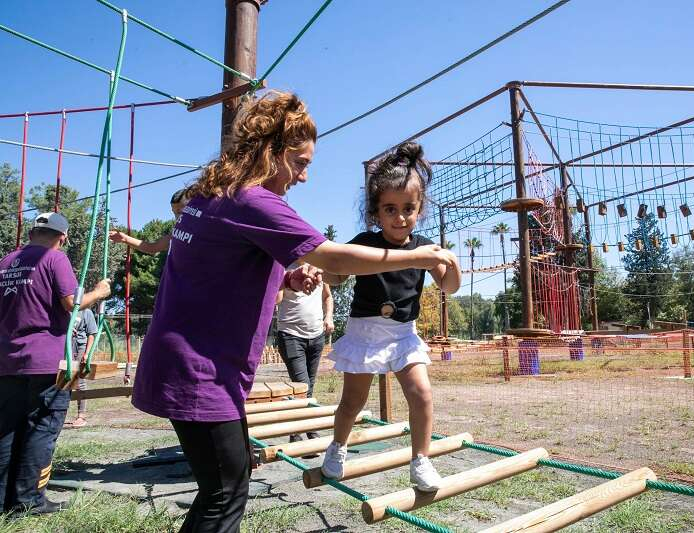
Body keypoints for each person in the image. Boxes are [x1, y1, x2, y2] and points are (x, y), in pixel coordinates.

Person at [130, 91, 458, 533]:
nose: (304, 176)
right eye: (300, 162)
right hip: (199, 369)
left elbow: (215, 269)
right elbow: (335, 259)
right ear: (271, 153)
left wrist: (284, 280)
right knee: (224, 493)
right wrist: (418, 257)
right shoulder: (254, 200)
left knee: (228, 479)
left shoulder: (213, 195)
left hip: (189, 360)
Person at [321, 142, 461, 492]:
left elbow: (449, 286)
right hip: (365, 331)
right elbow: (337, 275)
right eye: (390, 209)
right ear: (376, 212)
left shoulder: (425, 247)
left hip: (403, 334)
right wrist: (322, 272)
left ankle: (421, 460)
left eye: (408, 209)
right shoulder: (364, 242)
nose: (400, 217)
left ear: (419, 209)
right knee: (353, 401)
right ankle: (337, 447)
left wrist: (453, 263)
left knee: (422, 394)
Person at [0, 212, 111, 515]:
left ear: (33, 231)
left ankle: (3, 498)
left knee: (7, 430)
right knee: (42, 429)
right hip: (48, 363)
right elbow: (71, 303)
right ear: (62, 237)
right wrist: (100, 292)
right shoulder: (54, 259)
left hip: (7, 362)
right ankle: (29, 501)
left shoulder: (7, 262)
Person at [275, 262, 334, 446]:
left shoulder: (318, 268)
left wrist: (329, 317)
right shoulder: (283, 266)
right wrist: (285, 279)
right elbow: (275, 300)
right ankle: (308, 432)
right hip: (290, 336)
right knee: (303, 385)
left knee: (308, 386)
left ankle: (298, 432)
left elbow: (328, 296)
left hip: (316, 336)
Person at [108, 188, 188, 254]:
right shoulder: (178, 233)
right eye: (174, 213)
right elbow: (153, 248)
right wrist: (124, 238)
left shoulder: (199, 230)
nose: (177, 217)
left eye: (180, 212)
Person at [64, 308, 98, 428]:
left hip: (80, 348)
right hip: (65, 347)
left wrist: (87, 353)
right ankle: (61, 413)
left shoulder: (86, 312)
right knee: (64, 381)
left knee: (79, 381)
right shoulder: (63, 308)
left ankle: (81, 416)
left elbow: (92, 334)